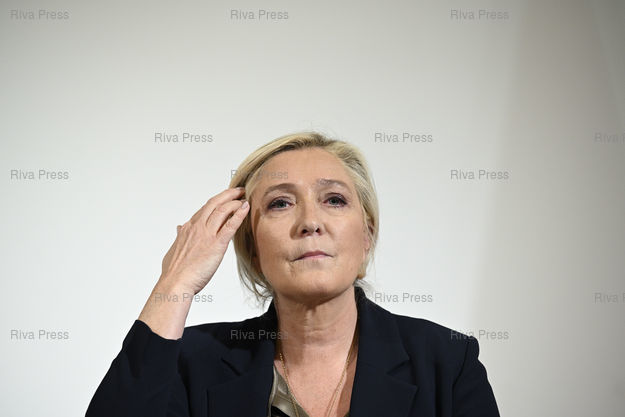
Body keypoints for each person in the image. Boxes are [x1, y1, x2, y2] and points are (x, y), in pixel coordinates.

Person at [85, 131, 500, 417]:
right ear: (252, 248)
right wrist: (175, 282)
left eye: (334, 199)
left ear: (367, 236)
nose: (310, 222)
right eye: (280, 204)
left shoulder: (447, 362)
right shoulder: (190, 362)